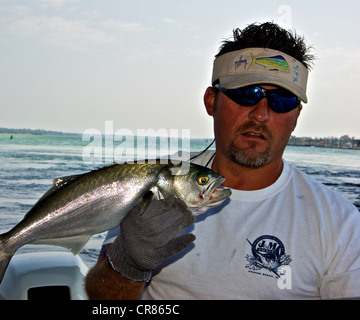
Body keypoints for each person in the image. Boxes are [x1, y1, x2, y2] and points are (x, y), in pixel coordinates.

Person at [84, 22, 360, 299]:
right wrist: (127, 264)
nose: (261, 114)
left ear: (296, 116)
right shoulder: (156, 181)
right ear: (211, 101)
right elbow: (102, 300)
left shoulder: (341, 223)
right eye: (246, 93)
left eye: (282, 100)